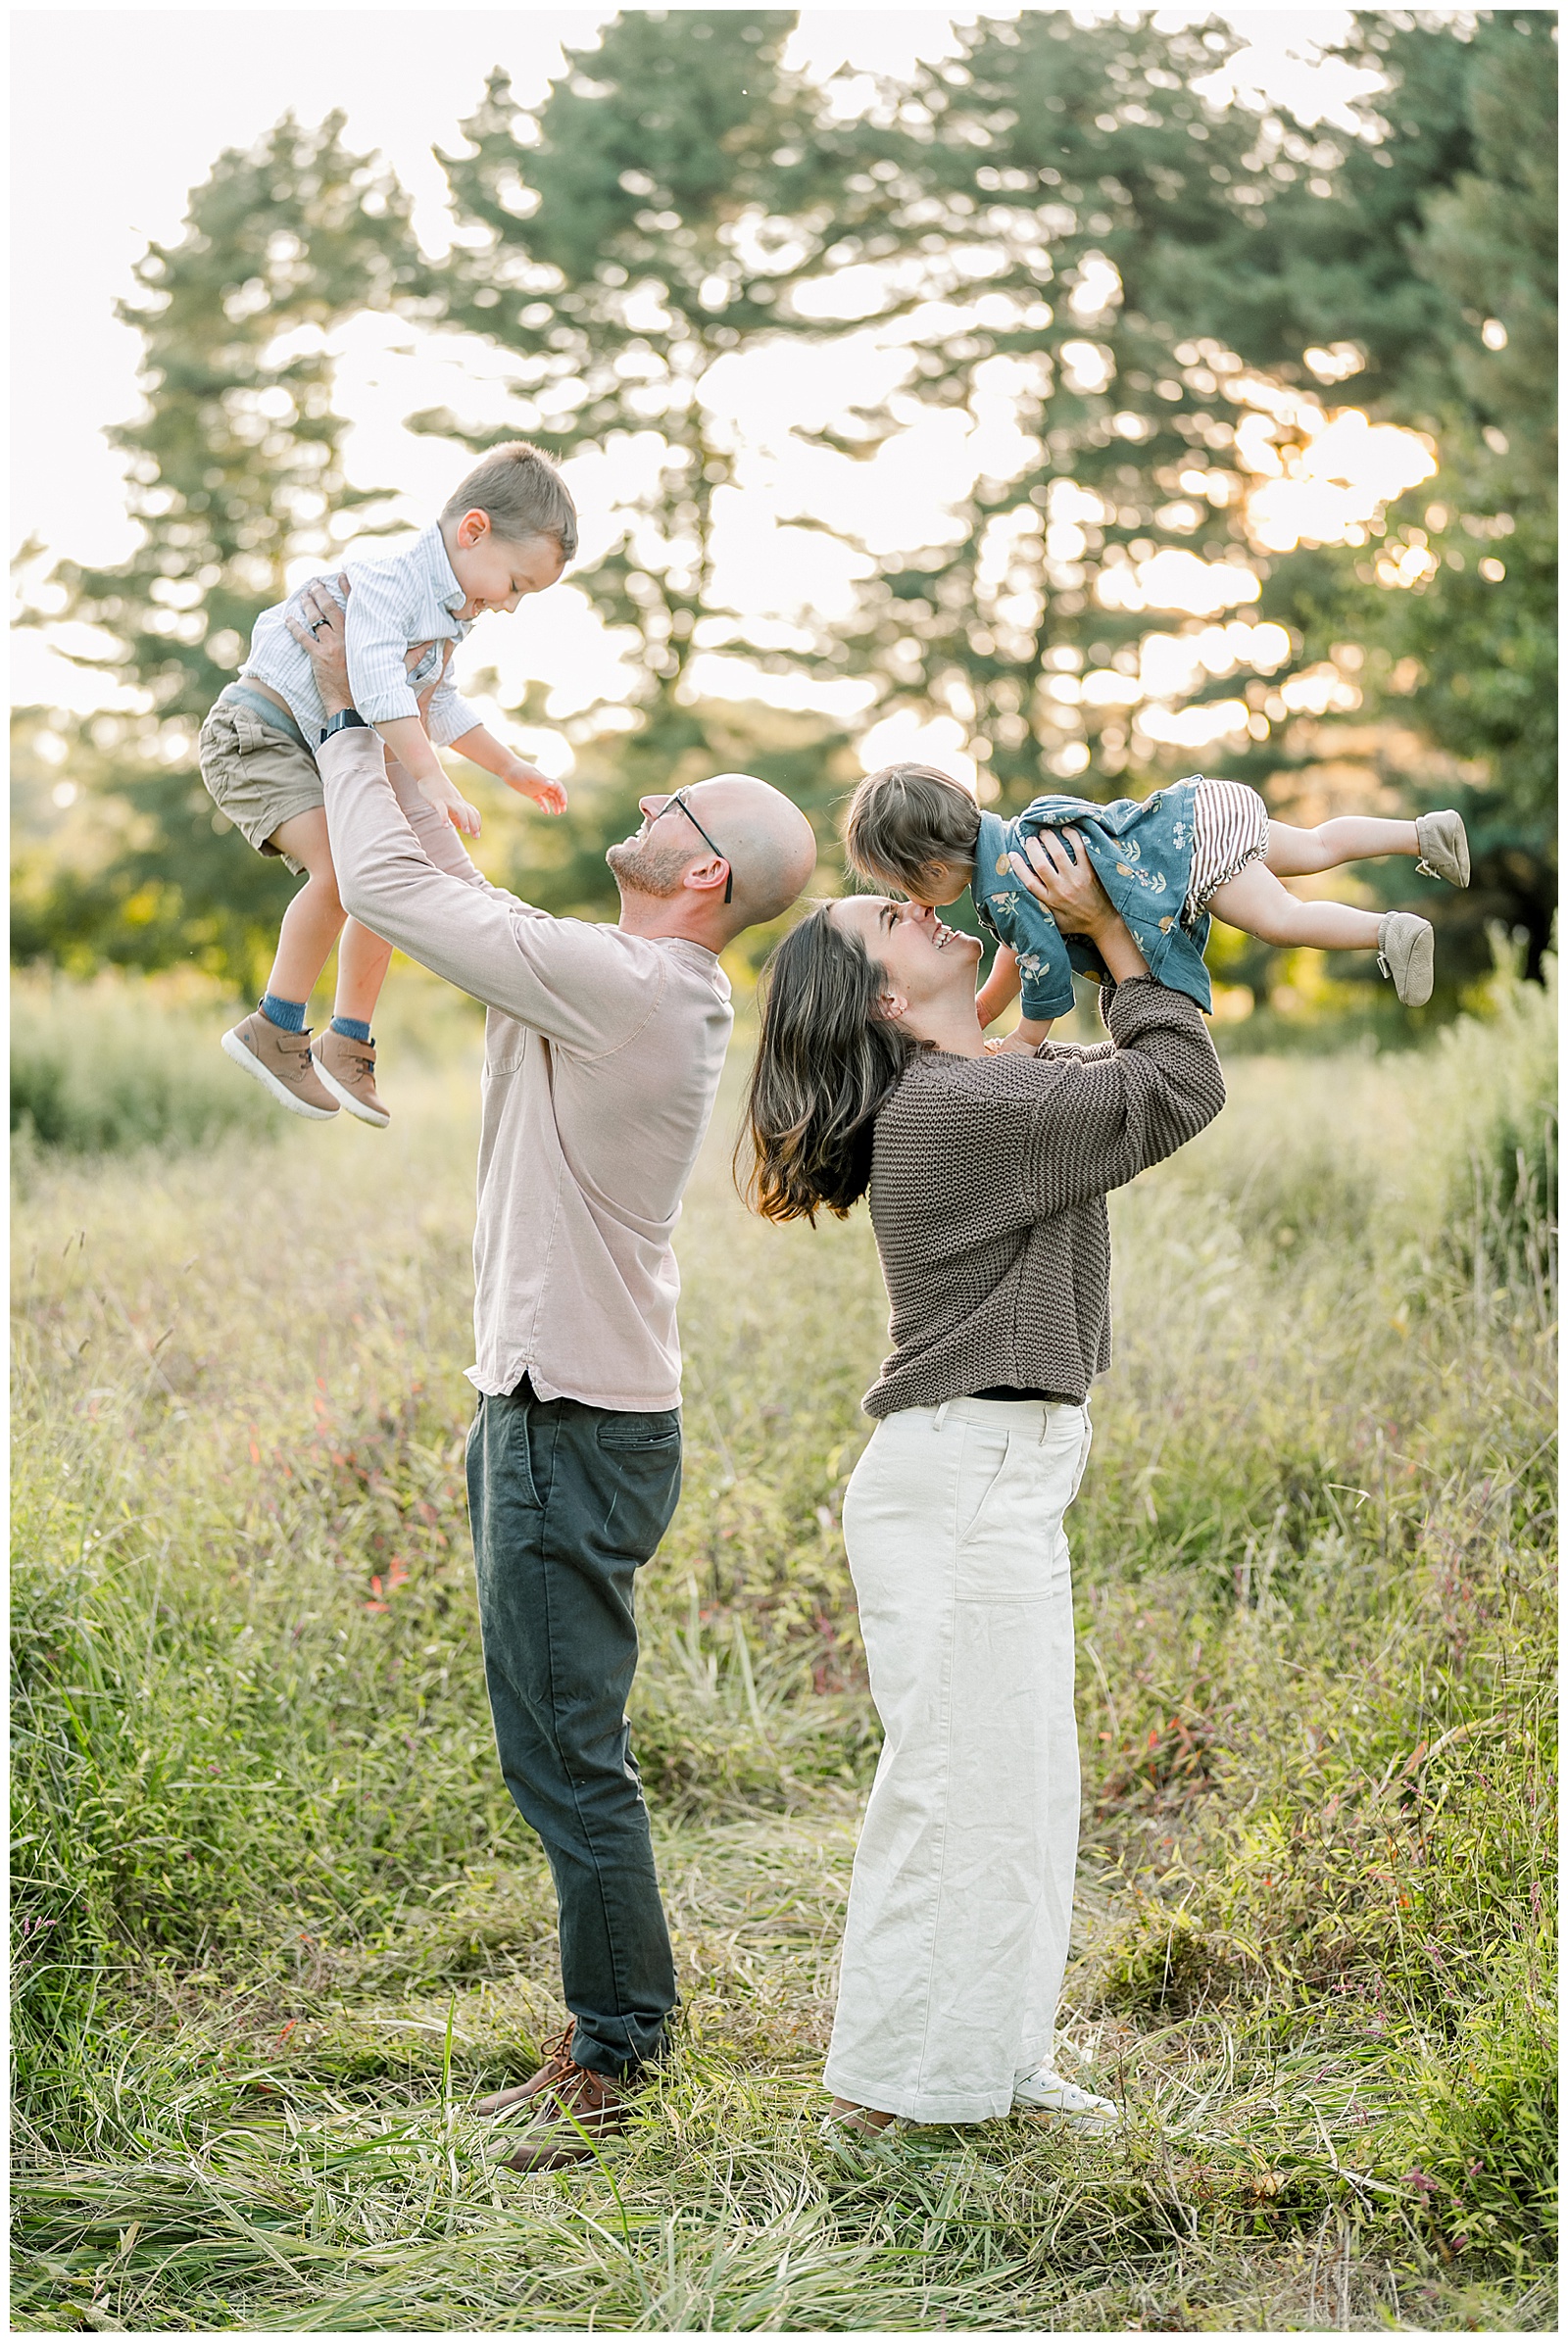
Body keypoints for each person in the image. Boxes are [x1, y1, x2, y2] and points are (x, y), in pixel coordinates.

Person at [288, 578, 818, 2171]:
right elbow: (448, 874)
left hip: (571, 1427)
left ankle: (618, 2054)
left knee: (565, 1754)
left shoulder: (635, 991)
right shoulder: (621, 973)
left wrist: (343, 701)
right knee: (560, 1742)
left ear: (702, 868)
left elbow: (384, 882)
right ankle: (615, 2022)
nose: (642, 803)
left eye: (670, 805)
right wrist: (402, 730)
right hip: (555, 1405)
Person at [742, 831, 1225, 2140]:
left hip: (995, 1471)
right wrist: (1117, 938)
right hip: (963, 1479)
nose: (915, 905)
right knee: (957, 1791)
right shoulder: (964, 1110)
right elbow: (1172, 1084)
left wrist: (1057, 913)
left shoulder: (981, 1082)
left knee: (1017, 1788)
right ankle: (885, 2090)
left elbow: (1083, 1063)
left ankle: (996, 2064)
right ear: (888, 1002)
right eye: (884, 918)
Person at [200, 441, 576, 1129]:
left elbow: (438, 704)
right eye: (517, 584)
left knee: (385, 874)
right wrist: (432, 780)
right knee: (343, 874)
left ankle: (347, 1039)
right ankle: (273, 1027)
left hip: (310, 751)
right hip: (256, 740)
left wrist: (510, 766)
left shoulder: (449, 613)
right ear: (473, 531)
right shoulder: (388, 582)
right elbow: (375, 687)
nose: (513, 606)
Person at [844, 761, 1472, 1049]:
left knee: (1282, 922)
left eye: (905, 891)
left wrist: (1027, 1039)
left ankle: (1388, 932)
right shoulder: (1016, 842)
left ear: (929, 870)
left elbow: (1043, 966)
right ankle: (1425, 833)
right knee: (1316, 844)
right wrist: (982, 1008)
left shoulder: (1007, 886)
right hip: (1199, 808)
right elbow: (1019, 948)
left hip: (1187, 857)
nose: (914, 904)